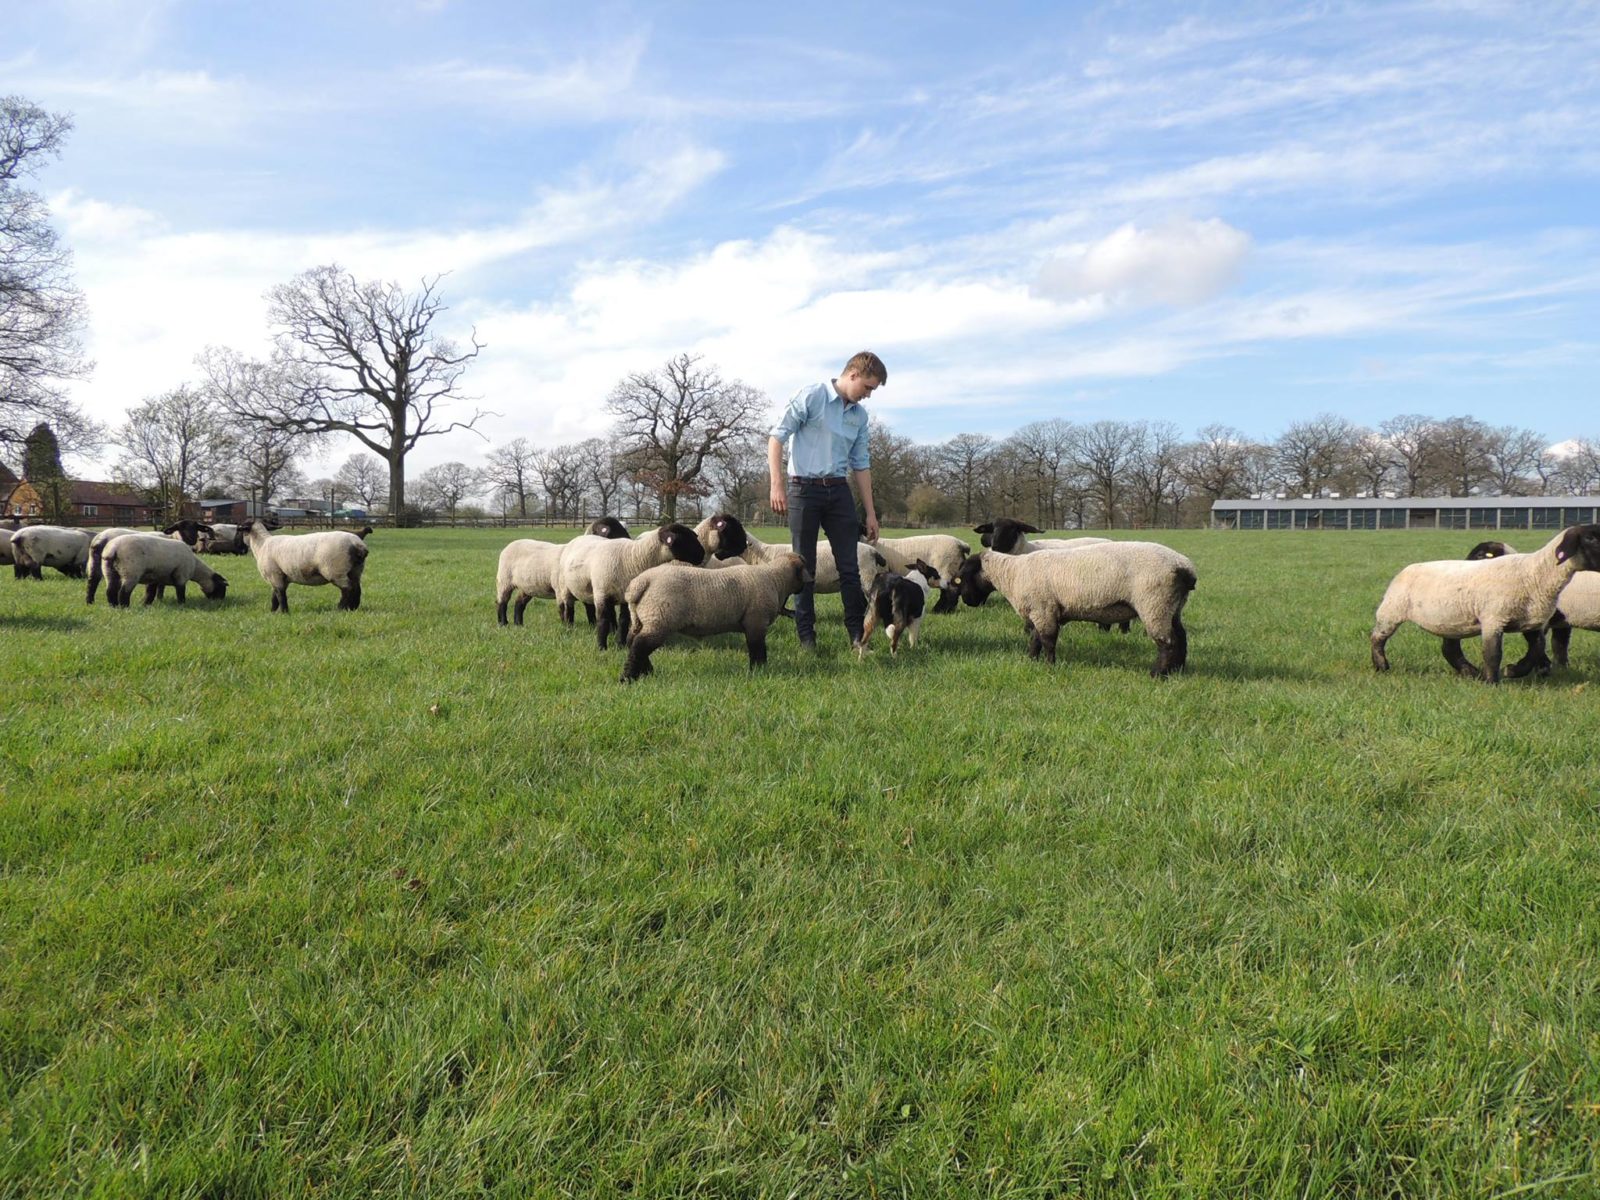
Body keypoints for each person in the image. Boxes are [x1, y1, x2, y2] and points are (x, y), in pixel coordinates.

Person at [768, 350, 885, 649]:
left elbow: (861, 463)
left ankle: (857, 635)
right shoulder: (812, 396)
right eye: (867, 388)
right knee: (804, 568)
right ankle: (807, 637)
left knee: (849, 567)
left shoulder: (859, 416)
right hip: (803, 490)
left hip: (839, 492)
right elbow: (777, 437)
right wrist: (777, 484)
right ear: (853, 374)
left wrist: (870, 513)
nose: (868, 395)